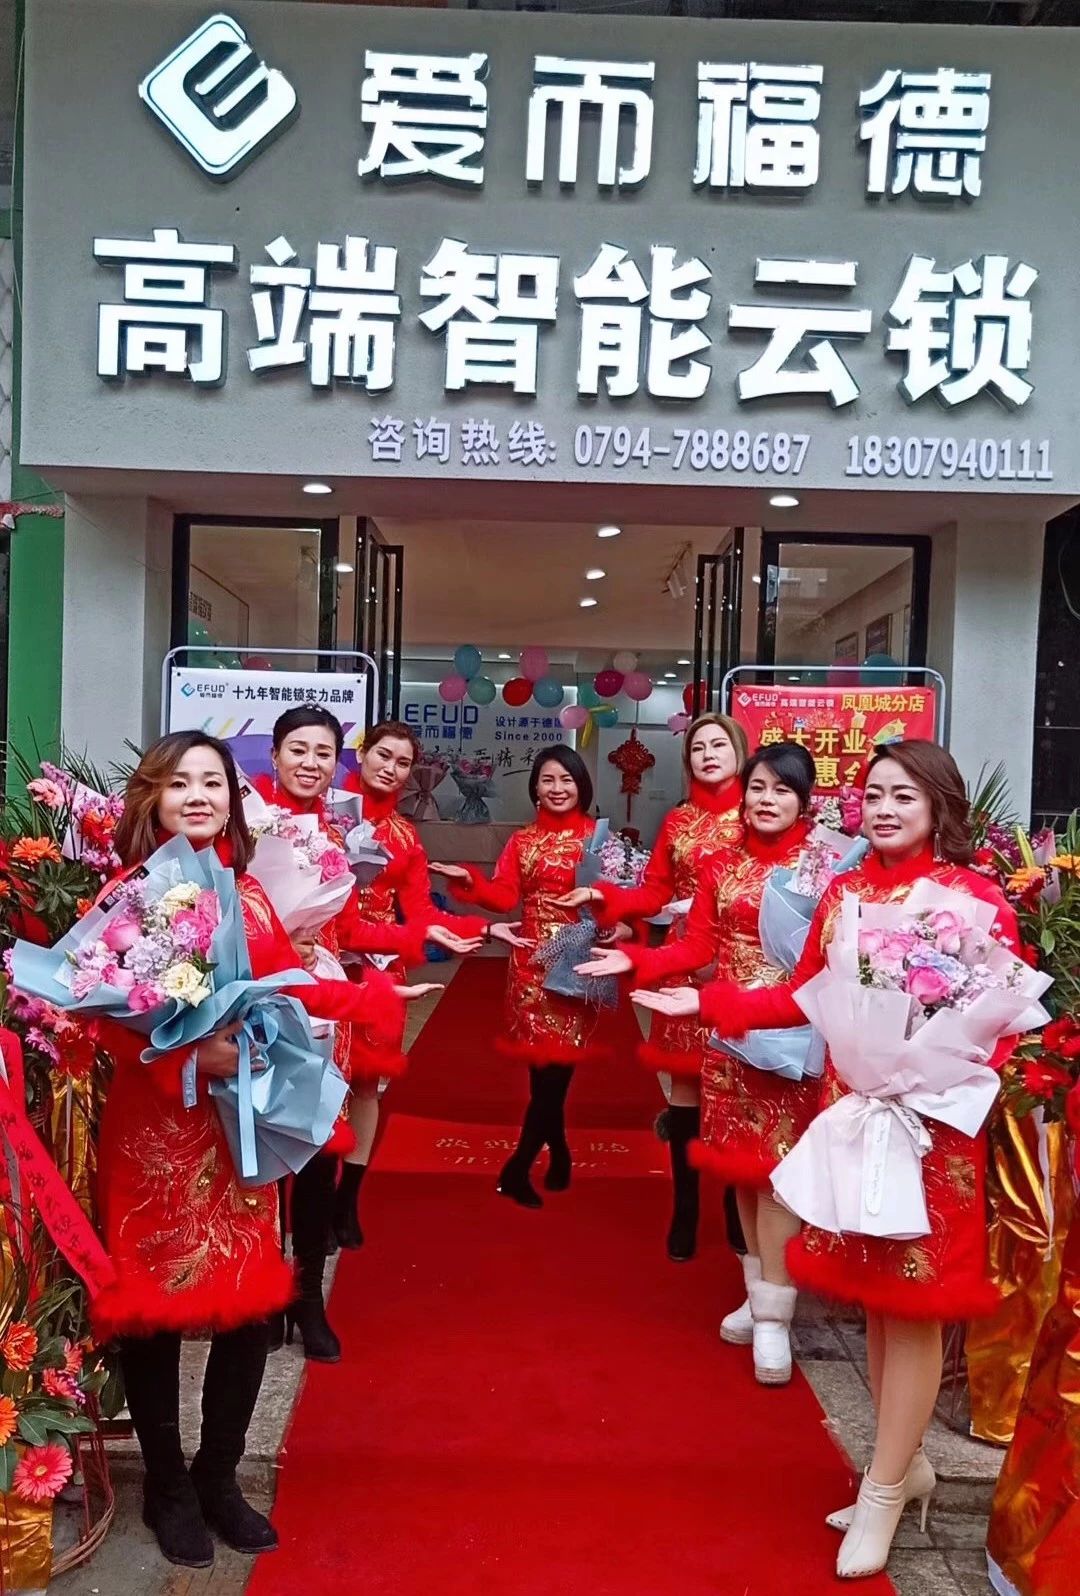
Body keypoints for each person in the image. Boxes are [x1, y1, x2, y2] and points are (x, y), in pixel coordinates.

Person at [631, 742, 1020, 1581]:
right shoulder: (844, 892)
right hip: (855, 1111)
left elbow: (1000, 1026)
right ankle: (904, 1464)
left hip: (931, 1131)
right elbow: (801, 994)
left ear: (938, 805)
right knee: (875, 1298)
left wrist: (932, 1068)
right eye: (873, 794)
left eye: (903, 795)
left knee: (912, 1304)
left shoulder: (974, 898)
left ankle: (884, 1491)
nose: (884, 809)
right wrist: (708, 999)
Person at [91, 732, 434, 1570]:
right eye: (181, 783)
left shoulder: (250, 897)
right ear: (153, 798)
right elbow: (101, 1017)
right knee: (154, 1314)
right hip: (154, 1133)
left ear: (233, 803)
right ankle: (168, 1487)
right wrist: (186, 1056)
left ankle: (219, 1476)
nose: (198, 796)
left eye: (213, 782)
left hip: (238, 1129)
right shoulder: (126, 897)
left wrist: (373, 995)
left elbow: (289, 983)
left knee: (247, 1307)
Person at [580, 741, 819, 1383]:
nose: (766, 800)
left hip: (790, 1032)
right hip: (726, 1030)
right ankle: (758, 1293)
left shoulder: (822, 868)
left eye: (782, 790)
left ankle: (775, 1316)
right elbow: (696, 946)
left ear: (804, 801)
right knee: (741, 1168)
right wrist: (638, 959)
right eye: (759, 788)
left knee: (776, 1175)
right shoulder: (720, 863)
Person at [252, 707, 482, 1360]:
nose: (310, 763)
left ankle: (308, 1298)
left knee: (320, 1147)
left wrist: (424, 937)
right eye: (298, 750)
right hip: (260, 1003)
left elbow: (351, 928)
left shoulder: (342, 832)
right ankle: (265, 1295)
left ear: (336, 763)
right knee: (260, 1154)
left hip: (330, 1003)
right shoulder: (246, 824)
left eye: (322, 753)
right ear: (276, 754)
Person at [556, 712, 746, 1261]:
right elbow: (655, 891)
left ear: (739, 752)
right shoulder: (679, 821)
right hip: (682, 962)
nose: (708, 755)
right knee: (685, 1089)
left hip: (742, 966)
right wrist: (607, 898)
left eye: (719, 745)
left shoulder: (756, 814)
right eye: (698, 748)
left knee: (740, 1089)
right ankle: (685, 1209)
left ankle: (738, 1209)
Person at [431, 744, 614, 1209]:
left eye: (566, 779)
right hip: (532, 964)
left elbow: (616, 899)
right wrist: (470, 882)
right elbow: (504, 895)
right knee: (542, 1073)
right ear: (535, 788)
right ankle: (542, 1159)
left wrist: (617, 926)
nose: (558, 788)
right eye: (548, 780)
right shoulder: (522, 842)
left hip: (577, 961)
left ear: (581, 786)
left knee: (559, 1072)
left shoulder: (598, 838)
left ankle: (529, 1162)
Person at [329, 720, 486, 1247]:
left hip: (379, 968)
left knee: (366, 1083)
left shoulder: (404, 836)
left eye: (402, 763)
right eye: (383, 755)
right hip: (322, 959)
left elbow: (419, 911)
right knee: (320, 1078)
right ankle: (313, 1196)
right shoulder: (324, 816)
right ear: (362, 753)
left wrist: (479, 928)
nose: (391, 769)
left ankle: (347, 1200)